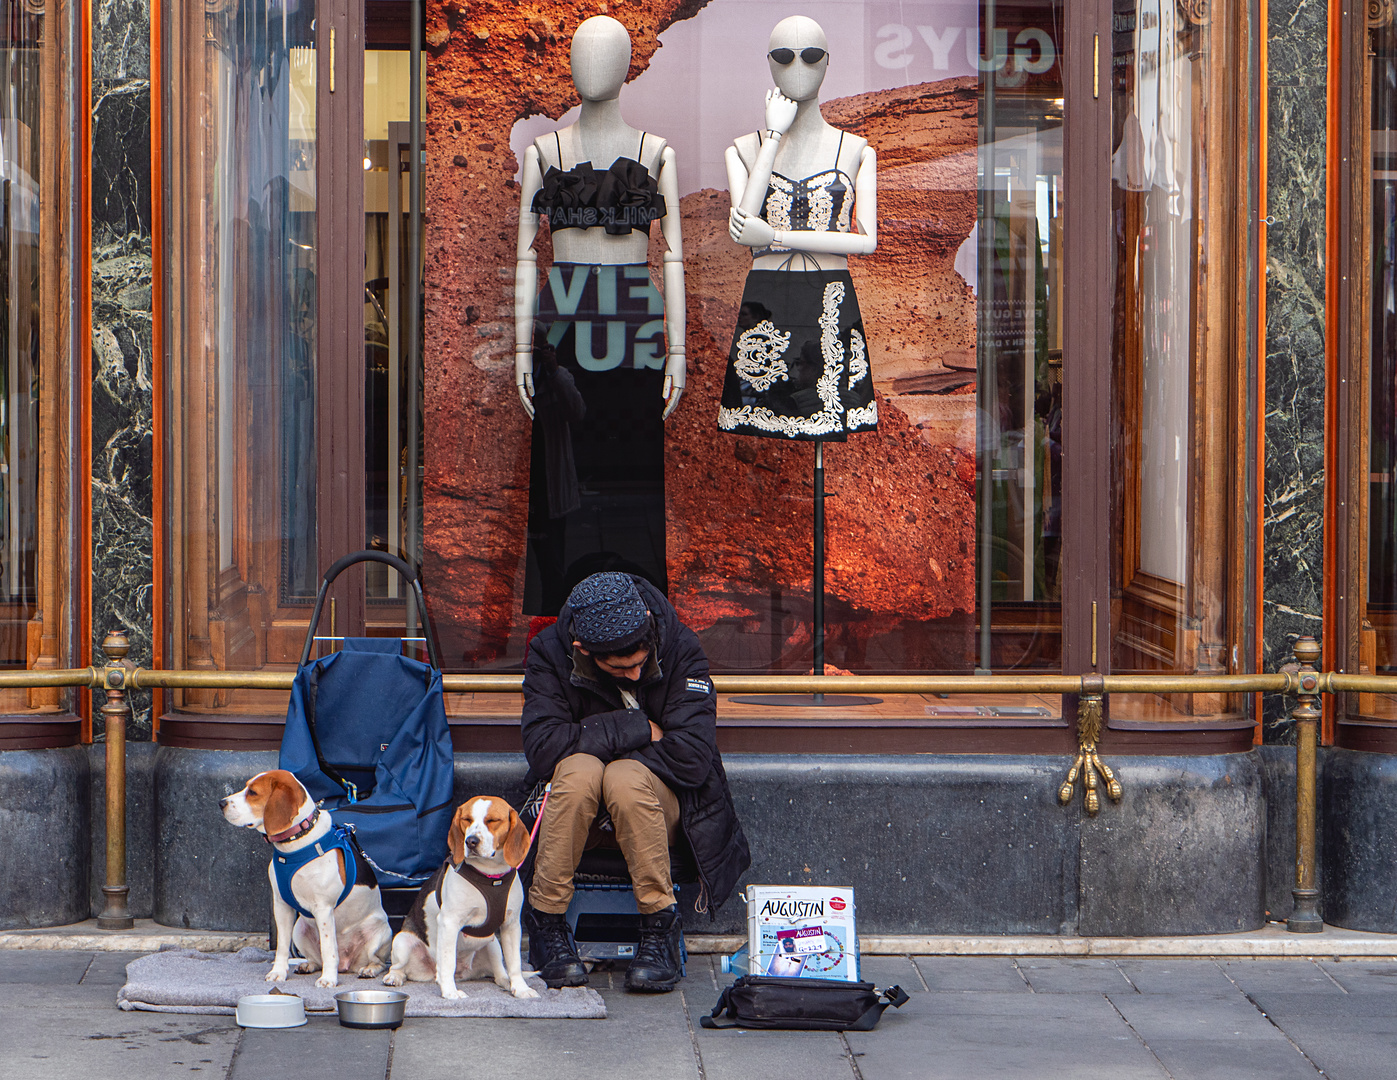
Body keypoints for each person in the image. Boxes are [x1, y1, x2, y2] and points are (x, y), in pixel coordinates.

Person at [521, 571, 750, 992]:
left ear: (648, 622)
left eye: (641, 664)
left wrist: (599, 747)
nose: (633, 674)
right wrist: (637, 726)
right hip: (577, 814)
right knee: (578, 771)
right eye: (619, 668)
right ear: (582, 650)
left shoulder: (681, 647)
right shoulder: (549, 653)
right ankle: (547, 922)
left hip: (662, 811)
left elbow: (693, 757)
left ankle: (659, 926)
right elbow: (542, 749)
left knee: (622, 778)